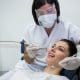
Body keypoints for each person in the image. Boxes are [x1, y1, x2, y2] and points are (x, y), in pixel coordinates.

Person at [4, 39, 79, 80]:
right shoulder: (27, 71)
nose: (52, 49)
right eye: (53, 46)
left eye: (60, 49)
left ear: (68, 59)